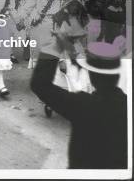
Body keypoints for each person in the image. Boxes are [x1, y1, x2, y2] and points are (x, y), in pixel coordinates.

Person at [31, 40, 127, 169]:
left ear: (92, 76)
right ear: (117, 74)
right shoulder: (126, 104)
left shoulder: (83, 105)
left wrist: (55, 47)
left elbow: (40, 85)